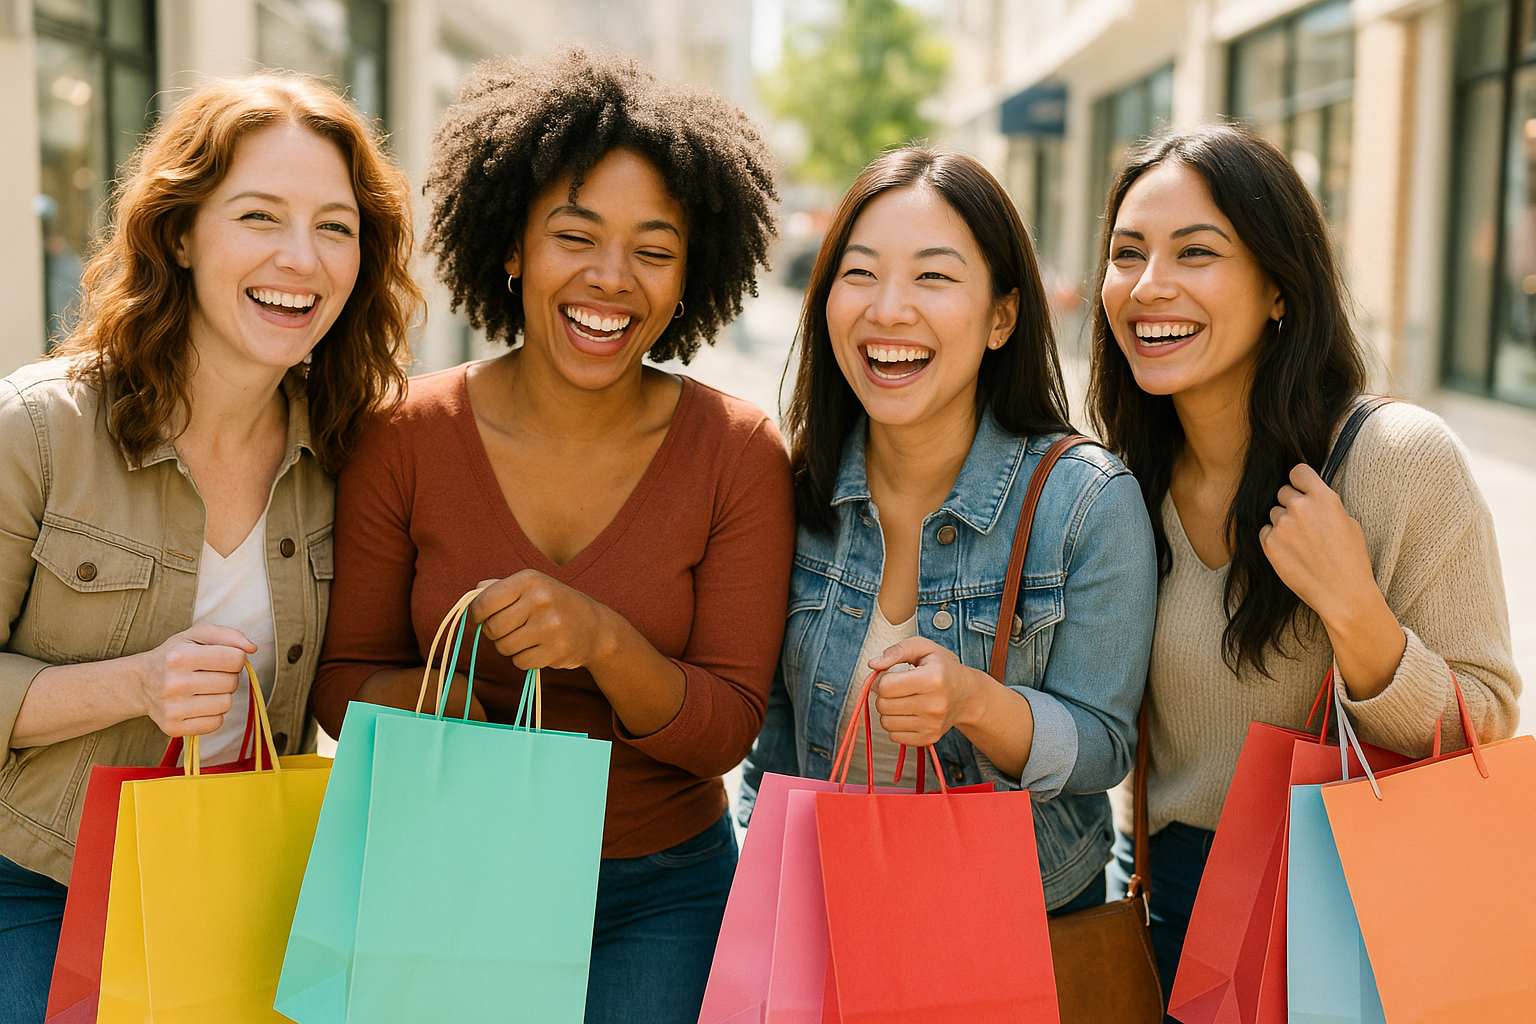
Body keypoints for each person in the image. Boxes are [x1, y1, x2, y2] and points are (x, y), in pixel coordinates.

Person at [308, 47, 793, 1024]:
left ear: (690, 275)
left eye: (654, 249)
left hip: (660, 895)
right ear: (512, 248)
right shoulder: (402, 436)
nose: (611, 279)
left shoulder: (738, 453)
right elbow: (339, 687)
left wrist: (604, 641)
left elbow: (727, 728)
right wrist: (454, 700)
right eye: (575, 237)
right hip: (446, 866)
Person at [0, 73, 420, 1021]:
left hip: (243, 886)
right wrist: (137, 685)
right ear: (181, 233)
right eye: (259, 216)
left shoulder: (355, 452)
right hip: (37, 882)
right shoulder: (38, 430)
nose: (300, 258)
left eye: (335, 227)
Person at [1089, 123, 1523, 1010]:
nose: (1148, 285)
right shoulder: (1125, 483)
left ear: (1280, 289)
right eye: (1127, 253)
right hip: (1171, 899)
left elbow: (1486, 722)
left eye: (1196, 252)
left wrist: (1355, 611)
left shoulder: (1396, 461)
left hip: (1358, 900)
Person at [740, 147, 1157, 917]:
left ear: (1002, 317)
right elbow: (774, 747)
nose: (889, 308)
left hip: (1009, 928)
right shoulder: (793, 488)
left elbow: (1104, 749)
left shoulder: (1085, 503)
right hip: (822, 917)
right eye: (860, 273)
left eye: (932, 276)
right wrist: (761, 899)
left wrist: (974, 702)